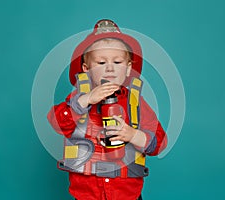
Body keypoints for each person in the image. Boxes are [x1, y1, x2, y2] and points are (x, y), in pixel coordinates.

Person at [47, 19, 167, 200]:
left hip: (127, 195)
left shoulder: (135, 103)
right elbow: (56, 121)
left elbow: (160, 142)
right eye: (101, 63)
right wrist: (86, 100)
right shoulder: (80, 99)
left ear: (128, 69)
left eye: (117, 62)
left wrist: (133, 135)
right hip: (87, 195)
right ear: (86, 70)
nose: (110, 68)